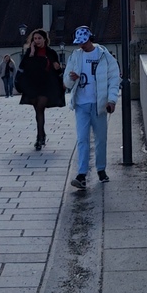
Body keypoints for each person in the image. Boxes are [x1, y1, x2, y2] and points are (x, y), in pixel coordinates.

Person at [64, 25, 119, 189]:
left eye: (84, 41)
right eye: (79, 42)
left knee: (101, 138)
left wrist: (112, 100)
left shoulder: (103, 55)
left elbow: (114, 78)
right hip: (81, 104)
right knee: (82, 139)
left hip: (99, 104)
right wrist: (72, 78)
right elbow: (66, 82)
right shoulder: (75, 56)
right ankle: (81, 174)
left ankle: (101, 169)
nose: (81, 45)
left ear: (90, 39)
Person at [16, 29, 64, 150]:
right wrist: (32, 52)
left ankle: (39, 137)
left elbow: (57, 70)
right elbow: (25, 67)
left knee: (40, 107)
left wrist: (58, 68)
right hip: (32, 84)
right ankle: (42, 134)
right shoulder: (30, 52)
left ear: (44, 39)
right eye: (35, 39)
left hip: (47, 84)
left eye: (39, 38)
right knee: (37, 110)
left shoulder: (51, 52)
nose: (37, 41)